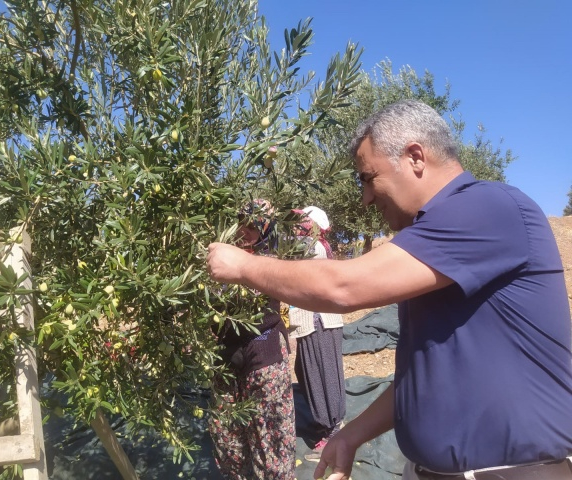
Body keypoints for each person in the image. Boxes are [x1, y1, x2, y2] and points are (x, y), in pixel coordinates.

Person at [206, 99, 572, 480]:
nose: (365, 198)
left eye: (368, 178)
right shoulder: (433, 249)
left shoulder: (486, 207)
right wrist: (353, 435)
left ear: (415, 157)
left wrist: (242, 265)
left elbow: (343, 287)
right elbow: (423, 373)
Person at [208, 199, 296, 480]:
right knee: (228, 440)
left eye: (254, 226)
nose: (245, 231)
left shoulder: (270, 261)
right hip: (225, 360)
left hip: (264, 357)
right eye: (242, 224)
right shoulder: (215, 262)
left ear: (266, 230)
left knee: (271, 437)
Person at [289, 206, 346, 461]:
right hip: (312, 321)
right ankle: (326, 422)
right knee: (307, 371)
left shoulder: (312, 247)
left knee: (322, 372)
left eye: (301, 221)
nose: (295, 224)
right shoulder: (311, 245)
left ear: (312, 226)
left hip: (319, 321)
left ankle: (333, 430)